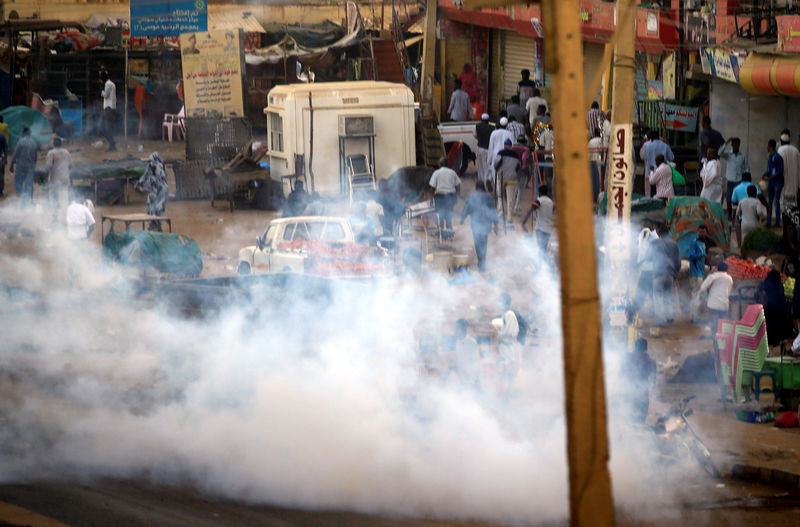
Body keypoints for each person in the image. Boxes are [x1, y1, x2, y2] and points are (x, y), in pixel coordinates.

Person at [461, 180, 499, 272]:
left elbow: (467, 208)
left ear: (476, 188)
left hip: (476, 224)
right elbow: (493, 211)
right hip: (486, 225)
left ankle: (480, 262)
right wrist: (496, 224)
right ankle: (482, 262)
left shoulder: (472, 197)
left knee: (478, 243)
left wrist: (462, 218)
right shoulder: (489, 197)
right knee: (484, 243)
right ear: (484, 188)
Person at [651, 224, 681, 324]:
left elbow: (649, 256)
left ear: (658, 233)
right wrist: (675, 272)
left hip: (659, 273)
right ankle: (669, 317)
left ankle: (660, 319)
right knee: (667, 296)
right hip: (670, 274)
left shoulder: (654, 243)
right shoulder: (674, 244)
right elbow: (678, 261)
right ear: (668, 233)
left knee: (658, 296)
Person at [623, 338, 656, 423]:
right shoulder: (651, 362)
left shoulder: (627, 357)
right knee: (640, 421)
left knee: (629, 420)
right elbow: (653, 382)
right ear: (646, 348)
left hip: (629, 392)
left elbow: (621, 374)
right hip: (643, 394)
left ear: (635, 347)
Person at [134, 152, 168, 230]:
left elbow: (150, 178)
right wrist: (140, 183)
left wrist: (141, 184)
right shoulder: (156, 165)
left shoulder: (156, 166)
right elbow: (145, 176)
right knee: (154, 207)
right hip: (157, 190)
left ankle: (155, 225)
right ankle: (154, 225)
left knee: (156, 207)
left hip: (160, 190)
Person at [718, 137, 750, 220]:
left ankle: (739, 215)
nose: (736, 146)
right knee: (729, 199)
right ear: (732, 145)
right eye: (734, 145)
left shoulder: (743, 155)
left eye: (738, 145)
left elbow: (747, 168)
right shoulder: (728, 154)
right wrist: (726, 143)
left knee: (739, 199)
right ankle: (729, 215)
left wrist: (746, 178)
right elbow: (719, 153)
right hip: (730, 180)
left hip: (740, 181)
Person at [699, 261, 734, 336]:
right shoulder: (729, 278)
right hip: (724, 305)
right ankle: (719, 336)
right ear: (727, 270)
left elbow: (702, 288)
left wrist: (700, 295)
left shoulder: (713, 276)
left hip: (713, 304)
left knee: (713, 320)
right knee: (720, 322)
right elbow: (729, 291)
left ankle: (714, 336)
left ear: (717, 269)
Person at [757, 269, 790, 346]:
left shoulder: (766, 284)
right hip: (780, 310)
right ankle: (776, 343)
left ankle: (769, 344)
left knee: (769, 327)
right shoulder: (780, 285)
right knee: (778, 328)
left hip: (769, 309)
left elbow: (760, 290)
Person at [495, 293, 522, 384]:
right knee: (504, 372)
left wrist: (498, 334)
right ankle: (505, 393)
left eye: (500, 301)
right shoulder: (504, 315)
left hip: (509, 348)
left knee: (508, 373)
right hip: (505, 348)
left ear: (505, 302)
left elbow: (510, 332)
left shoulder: (509, 314)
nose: (498, 303)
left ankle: (507, 394)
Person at [429, 157, 461, 232]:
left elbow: (432, 188)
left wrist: (431, 199)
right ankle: (449, 232)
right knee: (449, 215)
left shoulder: (436, 173)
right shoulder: (452, 172)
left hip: (439, 197)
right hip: (450, 196)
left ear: (439, 164)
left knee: (441, 215)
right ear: (448, 164)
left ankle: (442, 233)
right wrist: (457, 196)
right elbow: (458, 185)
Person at [46, 137, 72, 224]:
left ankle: (55, 218)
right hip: (65, 179)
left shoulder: (51, 153)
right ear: (61, 144)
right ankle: (64, 219)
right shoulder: (67, 152)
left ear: (53, 144)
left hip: (54, 179)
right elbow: (71, 166)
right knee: (64, 199)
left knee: (53, 198)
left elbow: (48, 166)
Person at [10, 127, 38, 205]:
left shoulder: (20, 142)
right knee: (28, 185)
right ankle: (27, 203)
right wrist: (33, 167)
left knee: (17, 183)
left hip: (21, 167)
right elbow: (35, 158)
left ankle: (23, 196)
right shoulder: (34, 143)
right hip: (30, 168)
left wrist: (12, 165)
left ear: (24, 133)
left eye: (22, 132)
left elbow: (16, 154)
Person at [642, 132, 675, 197]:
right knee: (664, 190)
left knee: (653, 191)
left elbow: (645, 157)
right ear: (659, 137)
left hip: (652, 173)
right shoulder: (665, 146)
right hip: (664, 172)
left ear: (651, 138)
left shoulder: (647, 146)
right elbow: (672, 157)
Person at [494, 139, 521, 216]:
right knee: (510, 198)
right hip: (512, 179)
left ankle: (500, 213)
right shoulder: (516, 155)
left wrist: (497, 169)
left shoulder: (500, 153)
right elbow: (519, 166)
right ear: (511, 146)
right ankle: (509, 217)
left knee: (500, 196)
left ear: (504, 146)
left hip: (501, 178)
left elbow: (496, 163)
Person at [525, 184, 554, 253]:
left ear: (540, 192)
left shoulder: (539, 201)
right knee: (543, 249)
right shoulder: (551, 202)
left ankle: (548, 263)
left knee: (541, 250)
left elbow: (531, 210)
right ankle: (540, 263)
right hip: (549, 229)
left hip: (540, 229)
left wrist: (523, 223)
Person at [763, 138, 785, 228]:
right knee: (769, 202)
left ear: (770, 146)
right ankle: (768, 222)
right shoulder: (770, 156)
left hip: (777, 182)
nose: (766, 147)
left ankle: (777, 222)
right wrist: (765, 174)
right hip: (771, 182)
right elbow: (770, 169)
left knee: (776, 202)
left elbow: (780, 170)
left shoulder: (777, 157)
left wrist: (771, 176)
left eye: (767, 146)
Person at [487, 117, 514, 185]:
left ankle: (499, 193)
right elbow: (512, 147)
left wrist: (489, 160)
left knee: (496, 175)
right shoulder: (510, 134)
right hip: (506, 155)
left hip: (496, 156)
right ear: (507, 125)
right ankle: (503, 191)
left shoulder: (494, 133)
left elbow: (491, 147)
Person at [778, 129, 800, 212]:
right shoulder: (796, 150)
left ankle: (786, 223)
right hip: (795, 183)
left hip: (785, 182)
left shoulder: (780, 150)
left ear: (781, 141)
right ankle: (794, 223)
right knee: (793, 204)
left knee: (785, 204)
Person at [473, 113, 495, 188]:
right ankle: (487, 180)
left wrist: (480, 139)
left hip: (480, 148)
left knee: (480, 166)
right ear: (488, 120)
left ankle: (482, 182)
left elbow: (475, 135)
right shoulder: (492, 127)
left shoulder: (477, 126)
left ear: (481, 119)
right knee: (488, 165)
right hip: (489, 149)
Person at [99, 71, 117, 152]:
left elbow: (105, 95)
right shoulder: (111, 84)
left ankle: (112, 144)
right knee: (106, 127)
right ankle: (112, 143)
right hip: (110, 108)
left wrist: (101, 92)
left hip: (108, 108)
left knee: (105, 127)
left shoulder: (108, 84)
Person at [588, 129, 604, 203]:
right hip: (601, 162)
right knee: (601, 179)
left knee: (594, 181)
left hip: (592, 163)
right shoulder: (602, 140)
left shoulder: (591, 142)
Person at [0, 120, 7, 197]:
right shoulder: (1, 135)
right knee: (1, 175)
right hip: (1, 159)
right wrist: (5, 157)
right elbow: (5, 147)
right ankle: (0, 191)